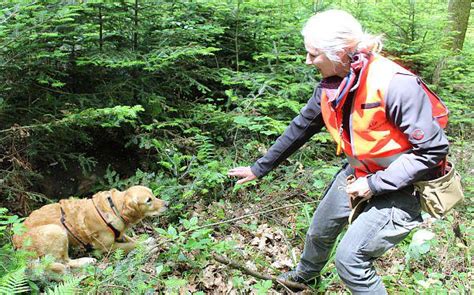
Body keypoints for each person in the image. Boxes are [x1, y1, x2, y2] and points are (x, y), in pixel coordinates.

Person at [228, 9, 449, 294]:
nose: (307, 61)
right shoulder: (334, 84)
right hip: (359, 172)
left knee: (351, 261)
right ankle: (304, 277)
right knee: (319, 231)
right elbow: (301, 127)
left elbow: (432, 150)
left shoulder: (395, 83)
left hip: (403, 184)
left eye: (314, 54)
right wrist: (260, 167)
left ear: (341, 52)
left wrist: (373, 185)